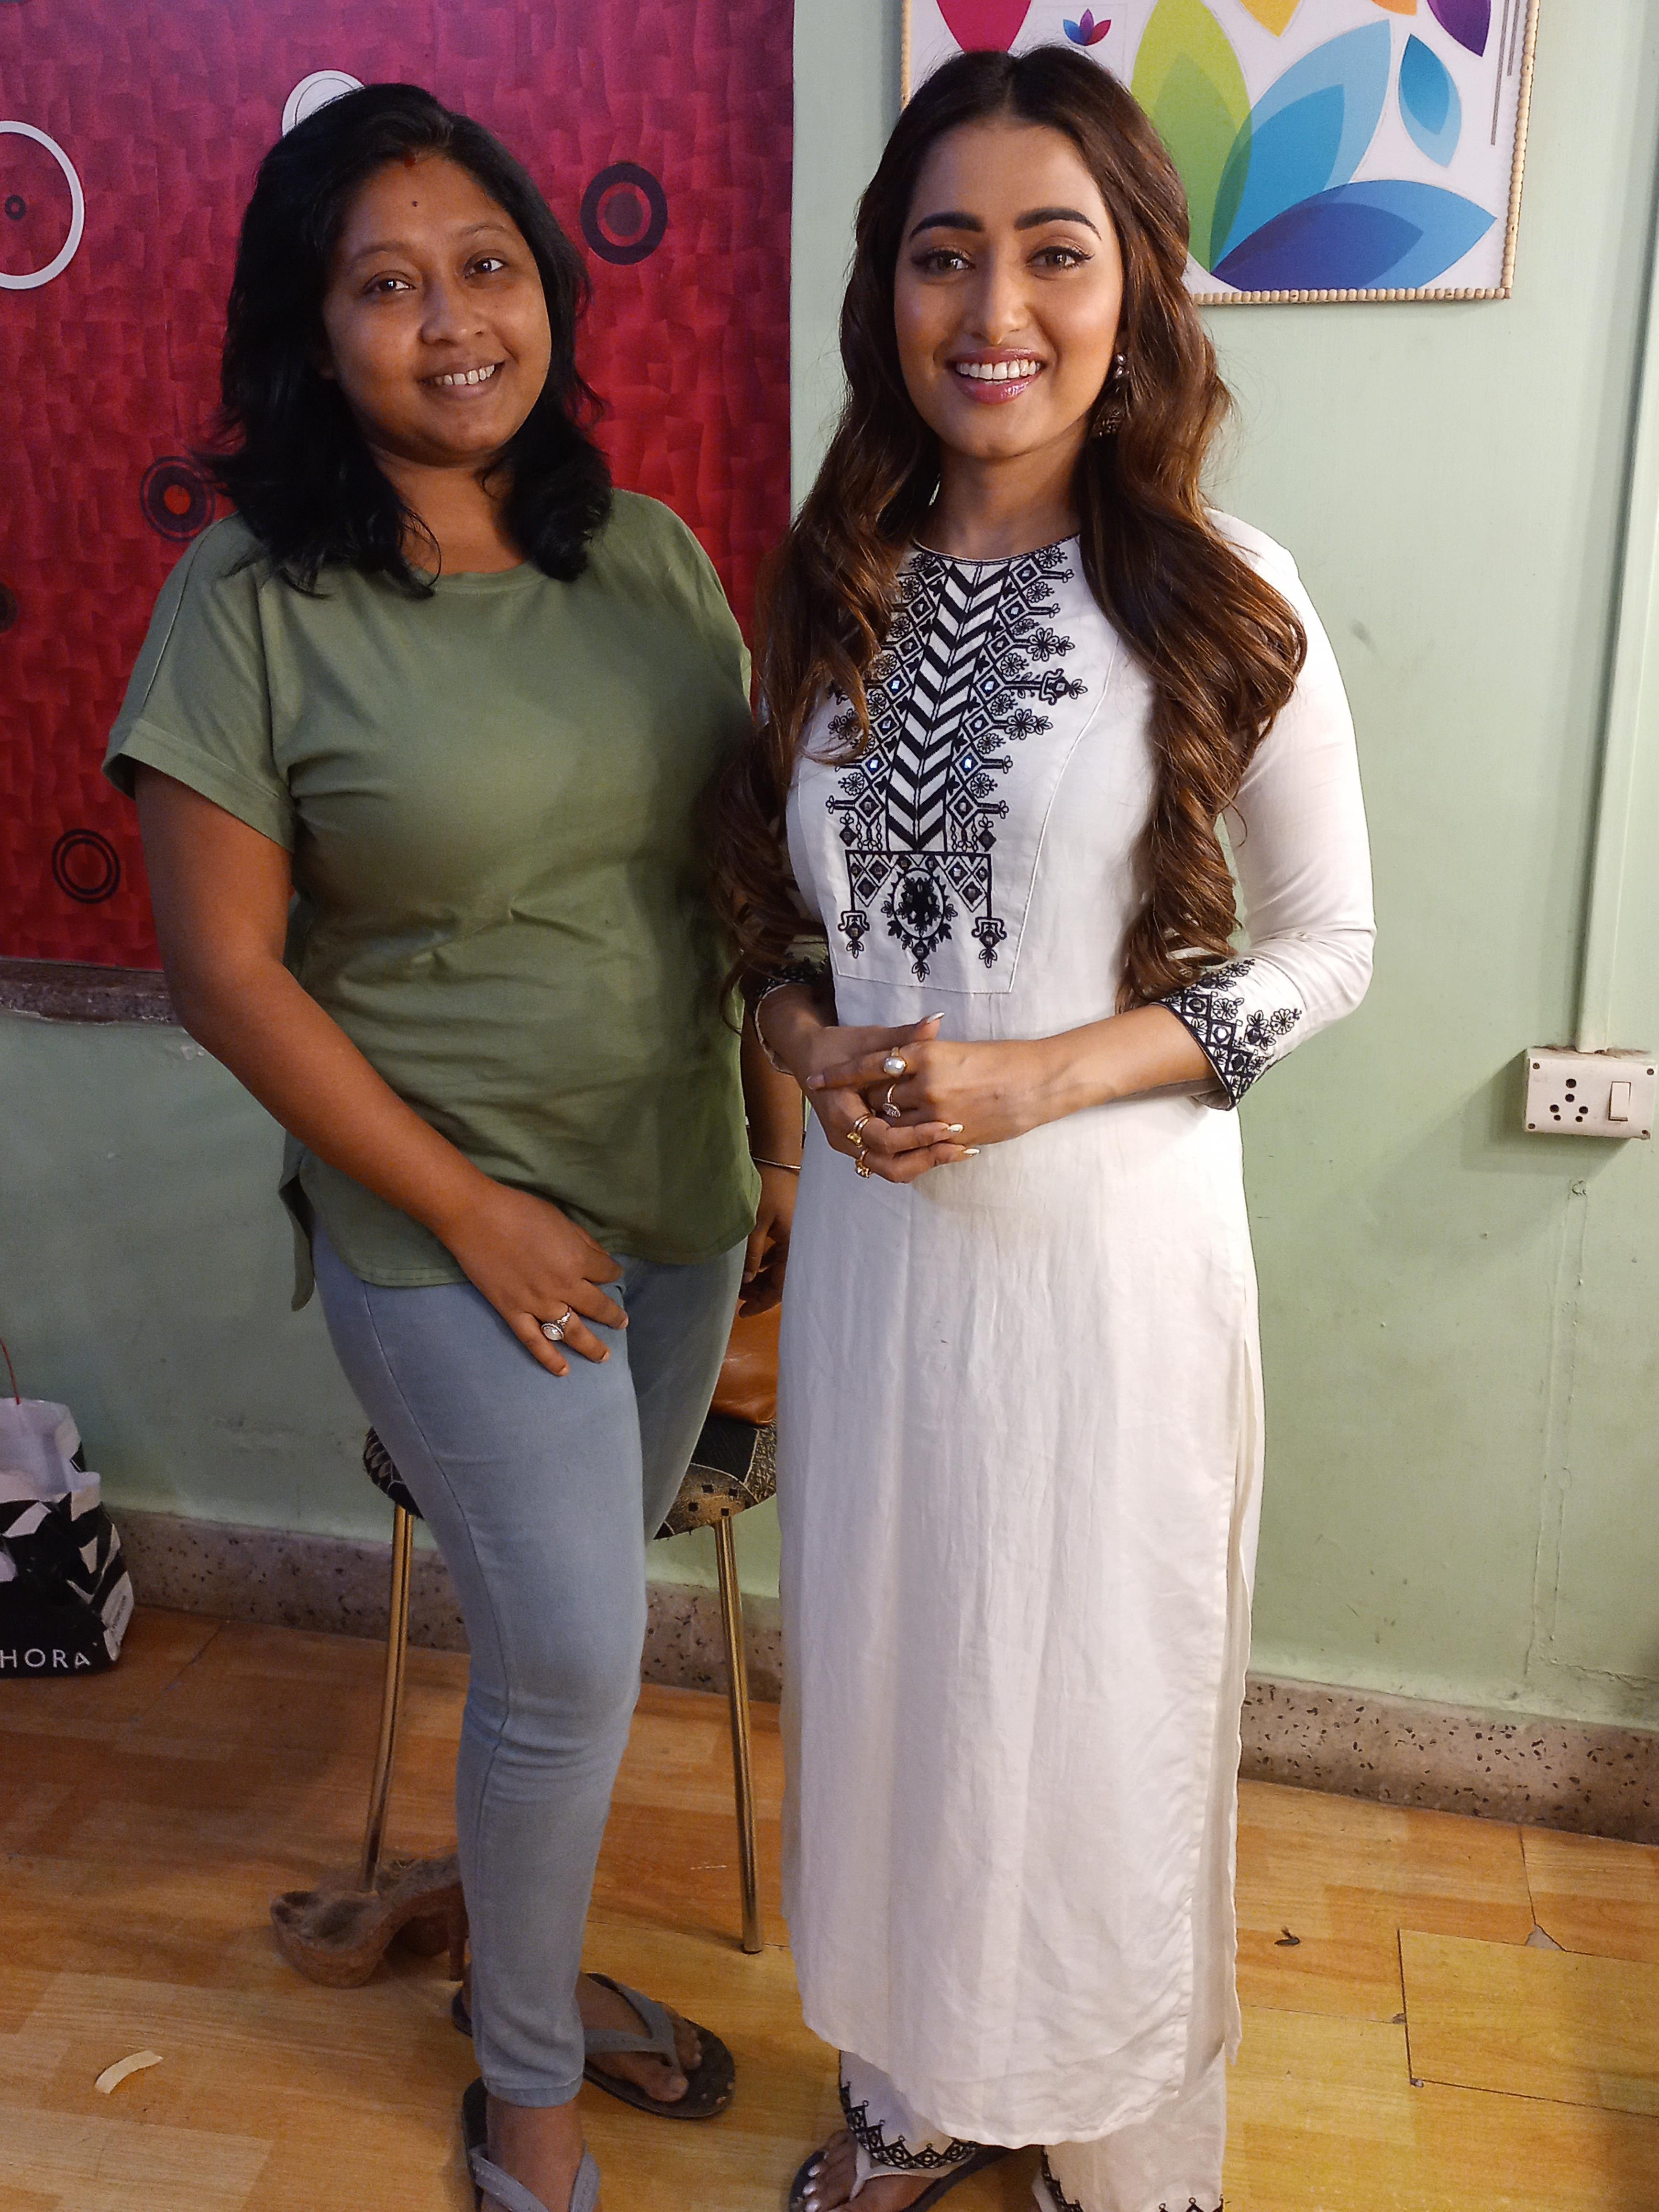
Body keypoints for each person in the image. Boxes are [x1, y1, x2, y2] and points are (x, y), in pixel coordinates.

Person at [104, 83, 801, 2212]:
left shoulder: (649, 555)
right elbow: (226, 975)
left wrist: (775, 1149)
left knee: (550, 1646)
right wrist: (474, 1211)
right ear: (314, 336)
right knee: (578, 1658)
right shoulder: (248, 601)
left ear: (546, 288)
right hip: (444, 1231)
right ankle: (525, 2093)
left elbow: (735, 881)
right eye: (386, 285)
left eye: (485, 266)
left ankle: (510, 1944)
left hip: (676, 1196)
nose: (452, 321)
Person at [711, 46, 1373, 2212]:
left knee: (1091, 1707)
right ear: (885, 294)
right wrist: (810, 1049)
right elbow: (769, 935)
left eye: (1052, 252)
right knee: (906, 1684)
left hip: (1108, 1275)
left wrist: (1044, 1073)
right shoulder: (833, 587)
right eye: (943, 254)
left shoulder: (1221, 589)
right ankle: (927, 2087)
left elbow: (1332, 951)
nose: (993, 308)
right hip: (885, 1278)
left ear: (1137, 288)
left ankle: (1116, 2147)